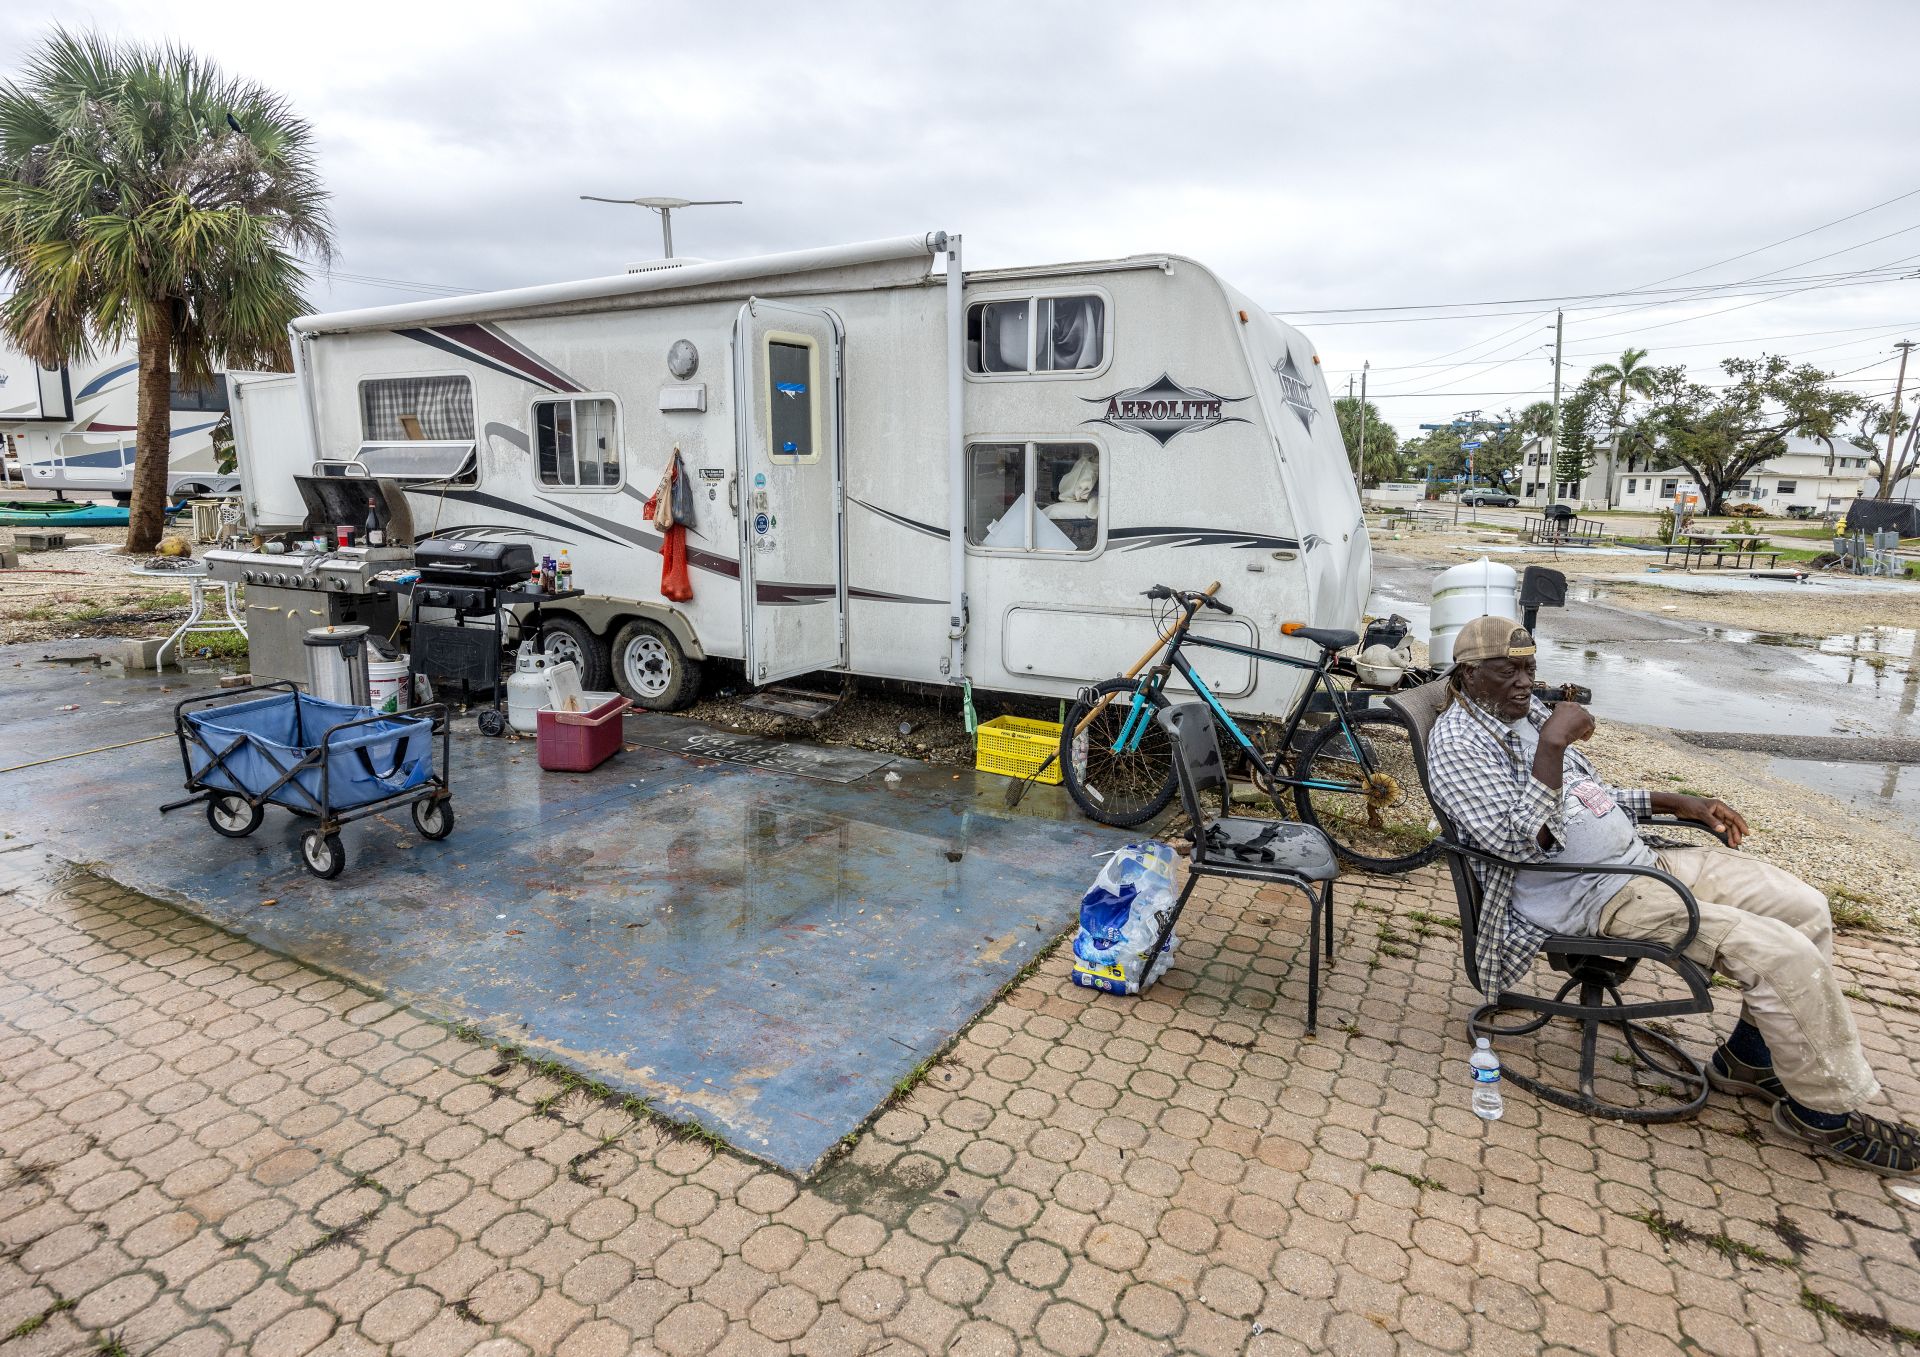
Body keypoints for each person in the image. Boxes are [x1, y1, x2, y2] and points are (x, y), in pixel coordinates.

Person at [1426, 614, 1918, 1176]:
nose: (1524, 682)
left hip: (1642, 863)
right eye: (1506, 671)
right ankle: (1824, 1112)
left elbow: (1588, 795)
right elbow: (1521, 844)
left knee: (1804, 908)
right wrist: (1554, 743)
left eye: (1529, 668)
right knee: (1781, 954)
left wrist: (1676, 801)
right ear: (1468, 673)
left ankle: (1748, 1059)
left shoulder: (1523, 712)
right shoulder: (1460, 743)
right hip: (1591, 896)